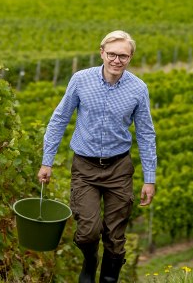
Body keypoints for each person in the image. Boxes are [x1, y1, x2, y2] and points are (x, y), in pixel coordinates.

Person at [38, 30, 157, 283]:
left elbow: (146, 134)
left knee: (115, 237)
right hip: (85, 168)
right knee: (87, 232)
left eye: (123, 56)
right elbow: (60, 118)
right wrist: (47, 161)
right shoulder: (81, 80)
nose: (116, 60)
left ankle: (109, 279)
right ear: (102, 53)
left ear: (130, 57)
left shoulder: (138, 88)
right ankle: (90, 260)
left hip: (119, 168)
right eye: (112, 54)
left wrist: (150, 178)